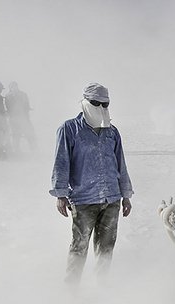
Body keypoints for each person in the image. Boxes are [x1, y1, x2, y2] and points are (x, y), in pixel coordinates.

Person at [50, 83, 134, 283]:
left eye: (105, 104)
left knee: (106, 247)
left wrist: (126, 195)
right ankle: (71, 289)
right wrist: (61, 194)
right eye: (96, 103)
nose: (101, 108)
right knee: (79, 246)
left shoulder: (112, 132)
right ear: (85, 102)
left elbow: (120, 162)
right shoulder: (69, 129)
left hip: (111, 198)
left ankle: (101, 286)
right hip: (83, 198)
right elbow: (61, 162)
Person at [5, 81, 36, 152]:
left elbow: (26, 104)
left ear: (17, 86)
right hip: (14, 119)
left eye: (15, 86)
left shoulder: (23, 94)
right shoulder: (7, 96)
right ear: (10, 88)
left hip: (24, 118)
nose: (14, 88)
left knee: (30, 134)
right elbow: (8, 106)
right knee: (15, 136)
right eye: (12, 87)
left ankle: (34, 150)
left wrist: (27, 110)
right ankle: (17, 151)